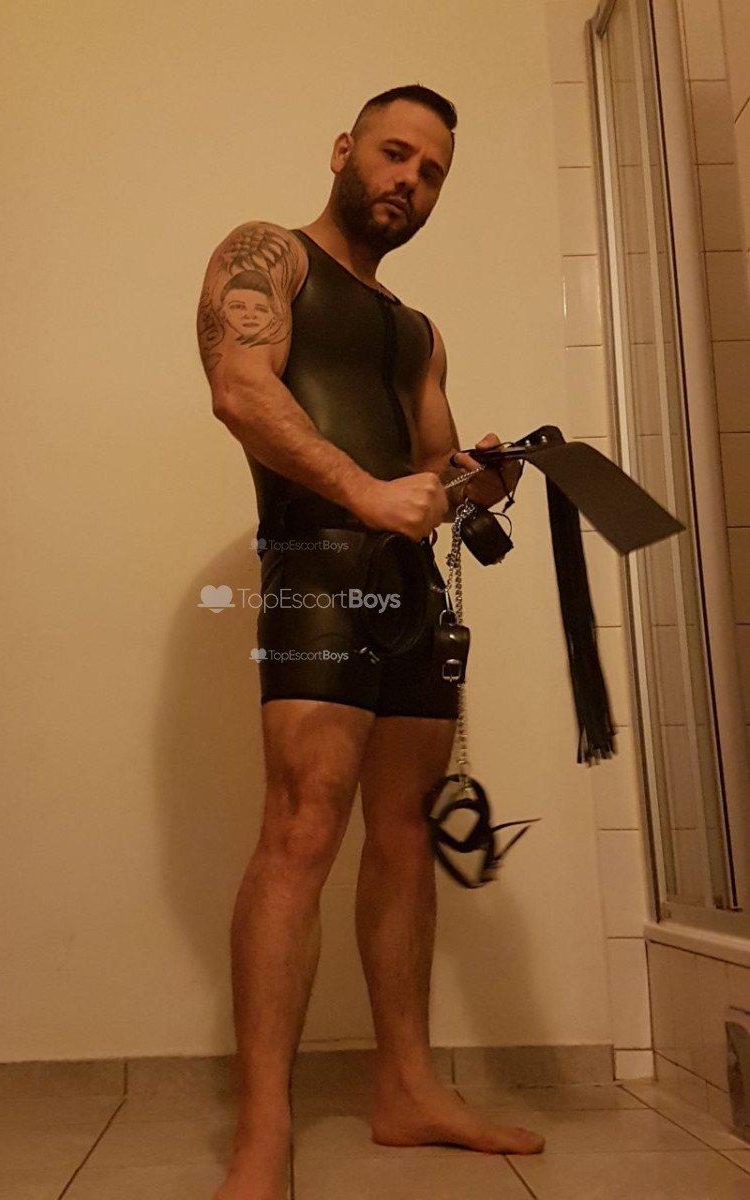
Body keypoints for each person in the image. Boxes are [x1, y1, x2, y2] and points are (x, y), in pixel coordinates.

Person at [197, 84, 544, 1200]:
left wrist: (479, 479)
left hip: (411, 595)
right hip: (315, 572)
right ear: (346, 148)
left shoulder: (419, 331)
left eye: (431, 172)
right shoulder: (267, 255)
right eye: (396, 154)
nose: (409, 180)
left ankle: (406, 1089)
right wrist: (365, 491)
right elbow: (239, 391)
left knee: (403, 837)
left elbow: (430, 479)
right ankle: (264, 1129)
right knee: (301, 829)